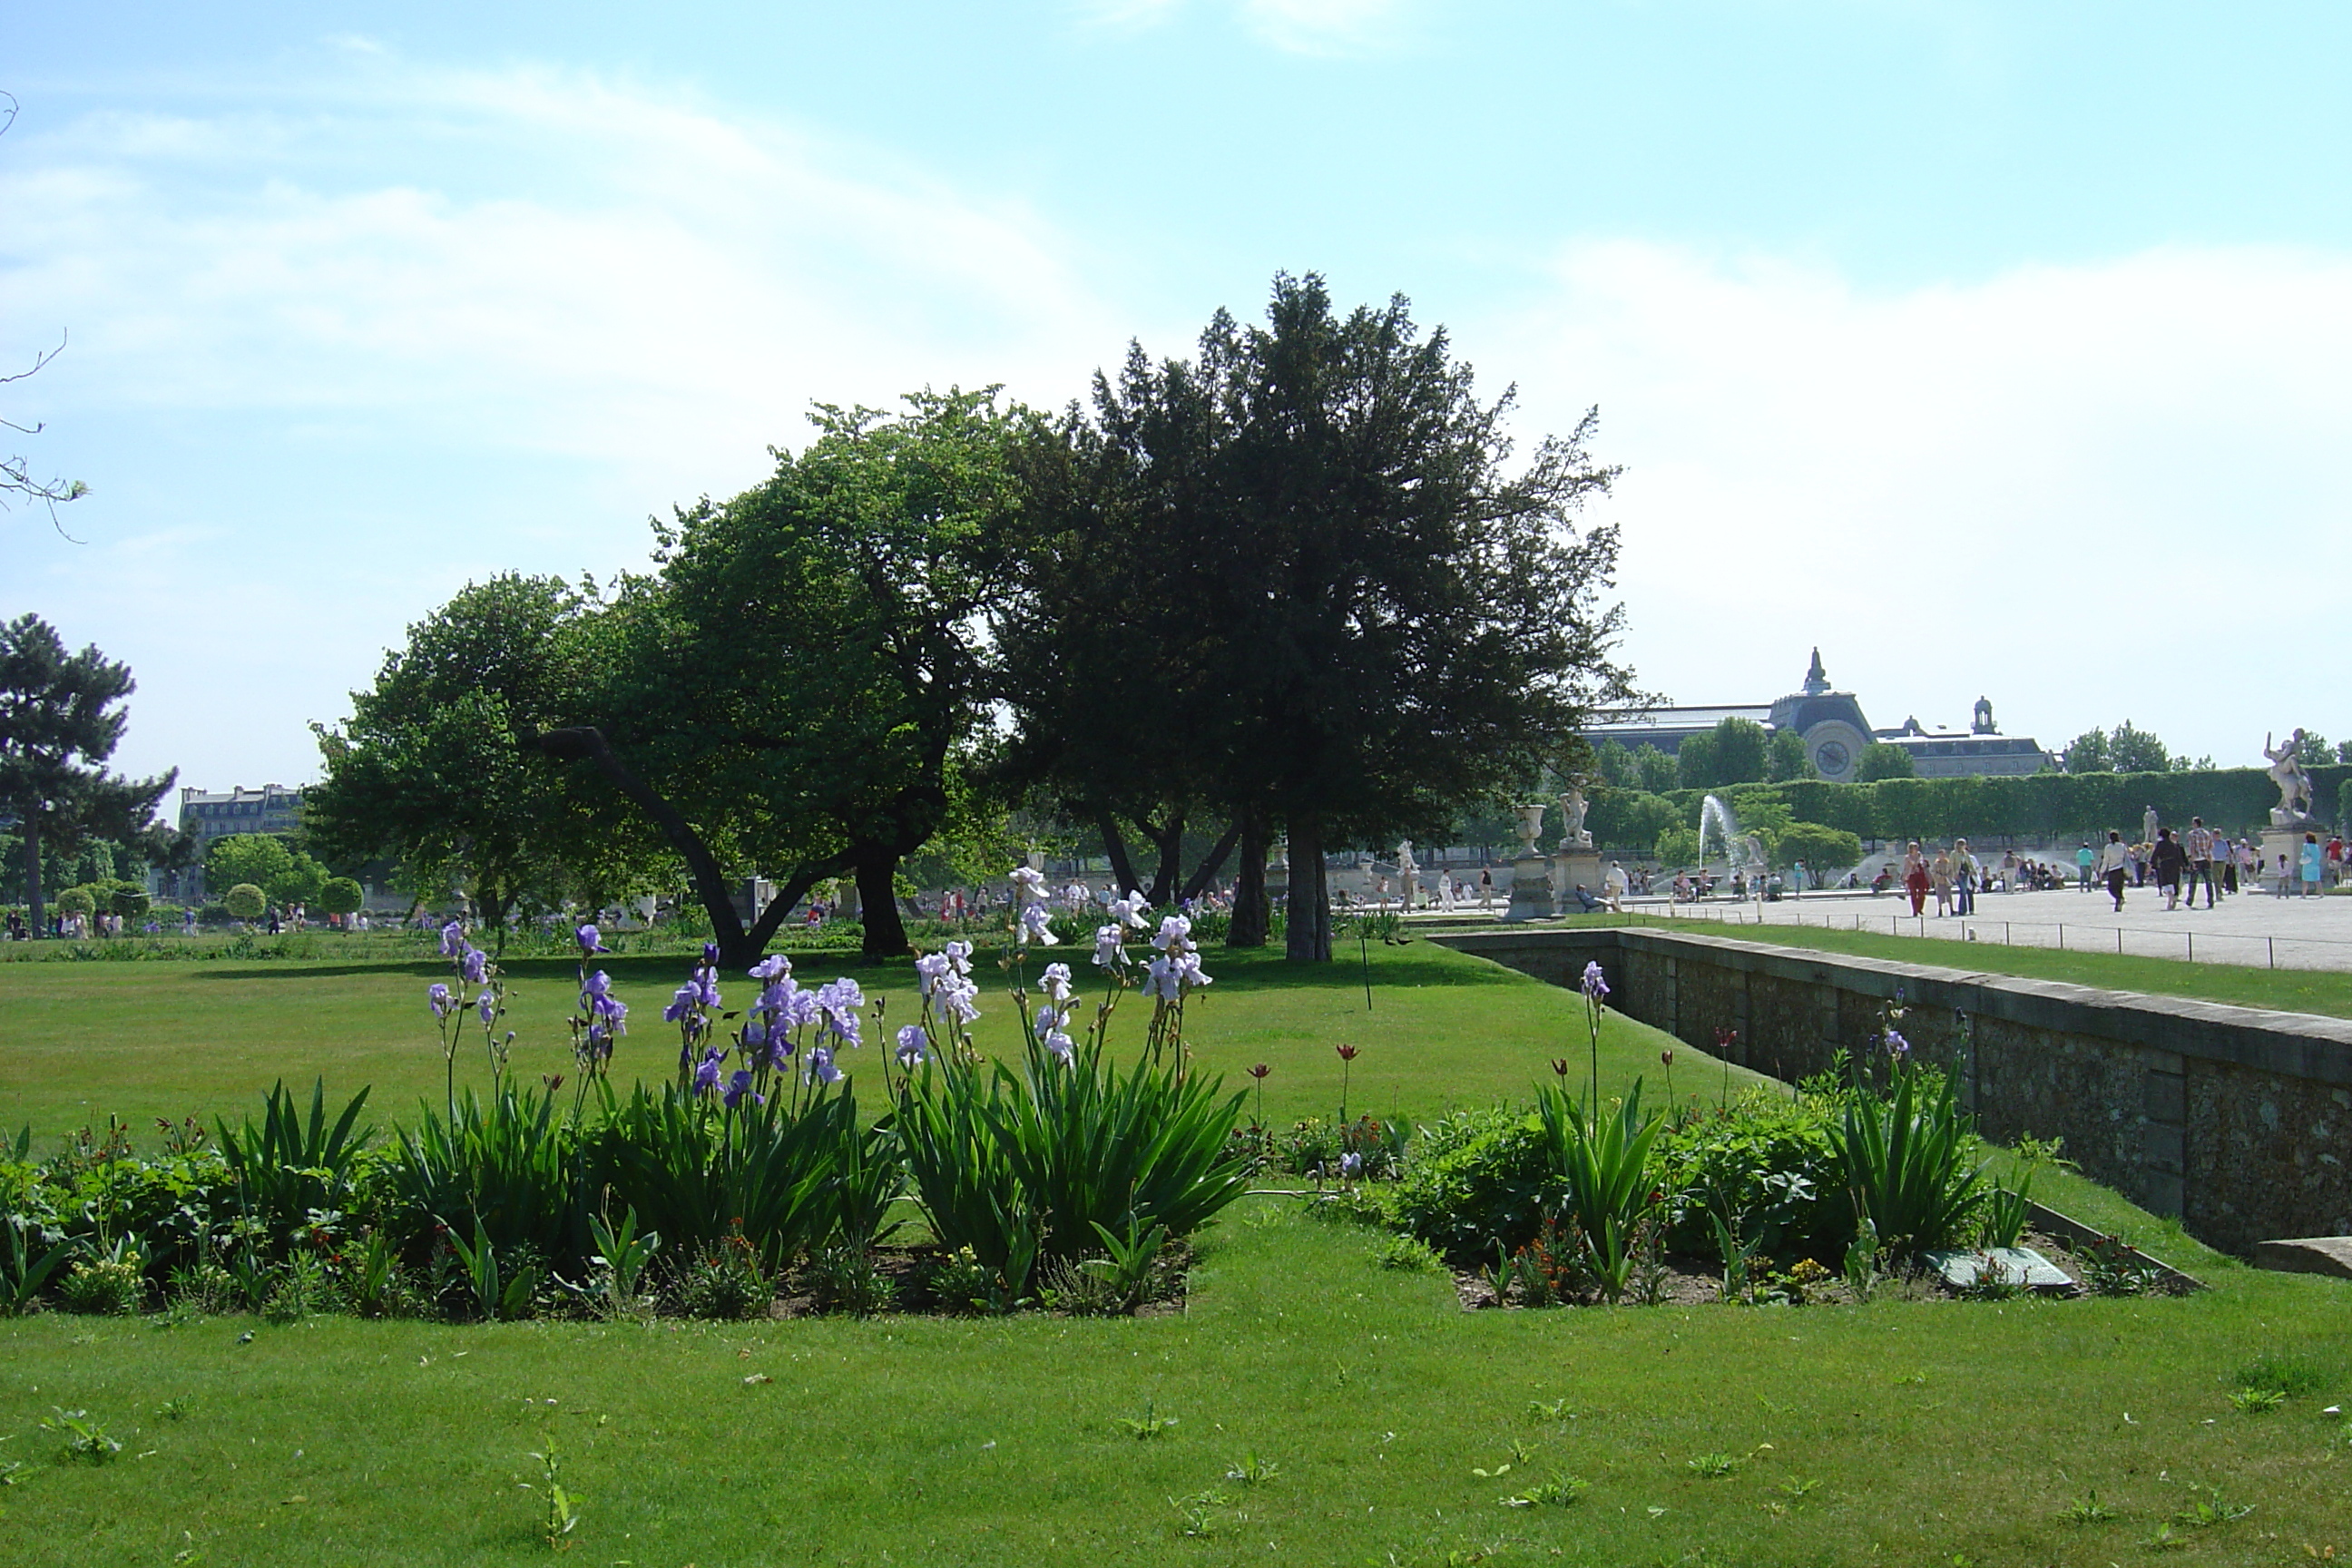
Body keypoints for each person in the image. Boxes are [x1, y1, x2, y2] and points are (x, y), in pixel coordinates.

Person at [2149, 827, 2189, 910]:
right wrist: (2183, 865)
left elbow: (2156, 854)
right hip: (2175, 864)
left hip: (2165, 864)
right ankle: (2174, 897)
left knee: (2166, 882)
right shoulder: (2173, 844)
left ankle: (2170, 897)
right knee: (2174, 882)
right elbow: (2178, 855)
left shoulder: (2160, 844)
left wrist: (2152, 864)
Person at [2182, 817, 2217, 908]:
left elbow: (2192, 848)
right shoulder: (2206, 833)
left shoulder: (2192, 834)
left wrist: (2192, 860)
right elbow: (2211, 846)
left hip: (2197, 860)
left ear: (2195, 824)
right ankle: (2211, 901)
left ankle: (2190, 900)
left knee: (2193, 881)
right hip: (2206, 859)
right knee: (2208, 881)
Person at [2097, 829, 2131, 911]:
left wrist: (2101, 872)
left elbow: (2106, 861)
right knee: (2119, 888)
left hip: (2112, 870)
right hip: (2121, 869)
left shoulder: (2108, 847)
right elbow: (2126, 858)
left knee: (2111, 888)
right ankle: (2118, 904)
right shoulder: (2122, 846)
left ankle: (2119, 899)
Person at [1952, 839, 1978, 916]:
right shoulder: (1954, 854)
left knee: (1964, 891)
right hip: (1958, 874)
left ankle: (1964, 909)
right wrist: (1954, 874)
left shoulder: (1965, 853)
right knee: (1963, 890)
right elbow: (1951, 864)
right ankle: (1962, 910)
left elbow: (1969, 863)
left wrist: (1973, 870)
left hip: (1965, 874)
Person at [1904, 841, 1929, 916]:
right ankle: (1915, 910)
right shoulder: (1907, 857)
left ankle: (1919, 908)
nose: (1916, 849)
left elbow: (1921, 862)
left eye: (1916, 847)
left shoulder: (1919, 855)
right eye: (1914, 848)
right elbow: (1907, 866)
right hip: (1911, 875)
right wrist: (1905, 876)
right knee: (1913, 893)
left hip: (1920, 875)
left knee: (1922, 892)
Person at [1930, 847, 1955, 917]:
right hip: (1939, 882)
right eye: (1940, 855)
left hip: (1947, 882)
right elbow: (1933, 872)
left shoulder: (1948, 863)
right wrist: (1939, 877)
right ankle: (1940, 910)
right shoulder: (1936, 864)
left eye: (1943, 855)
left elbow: (1951, 871)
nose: (1942, 856)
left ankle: (1951, 909)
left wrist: (1948, 878)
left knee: (1949, 896)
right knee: (1940, 897)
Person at [2303, 832, 2326, 897]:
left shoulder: (2305, 846)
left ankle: (2304, 894)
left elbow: (2304, 855)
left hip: (2307, 864)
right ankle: (2321, 893)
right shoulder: (2316, 846)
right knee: (2317, 880)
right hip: (2315, 864)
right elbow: (2318, 855)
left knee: (2305, 880)